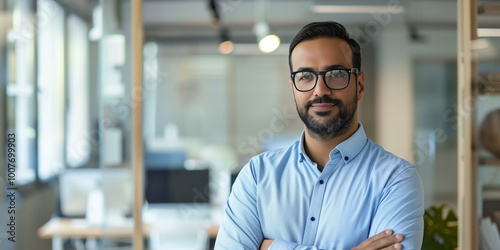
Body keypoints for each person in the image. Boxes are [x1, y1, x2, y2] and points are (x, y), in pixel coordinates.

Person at [214, 21, 424, 250]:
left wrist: (274, 247)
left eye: (335, 74)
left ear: (360, 85)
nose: (320, 90)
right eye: (305, 76)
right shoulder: (257, 175)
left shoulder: (395, 179)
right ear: (293, 89)